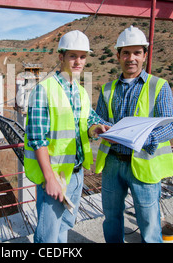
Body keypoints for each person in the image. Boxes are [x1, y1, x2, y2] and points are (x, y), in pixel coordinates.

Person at [95, 26, 173, 243]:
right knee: (111, 217)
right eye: (125, 53)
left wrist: (146, 138)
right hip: (113, 163)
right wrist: (101, 127)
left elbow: (172, 126)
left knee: (149, 221)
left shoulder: (159, 86)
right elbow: (99, 120)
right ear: (118, 56)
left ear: (144, 55)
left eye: (136, 53)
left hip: (144, 162)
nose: (130, 58)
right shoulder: (107, 89)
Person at [24, 30, 109, 243]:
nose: (78, 61)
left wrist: (96, 128)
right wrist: (50, 178)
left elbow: (88, 121)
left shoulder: (80, 91)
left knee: (64, 227)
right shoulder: (43, 90)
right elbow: (37, 138)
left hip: (76, 173)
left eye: (82, 56)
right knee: (48, 235)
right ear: (61, 57)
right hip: (54, 176)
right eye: (73, 56)